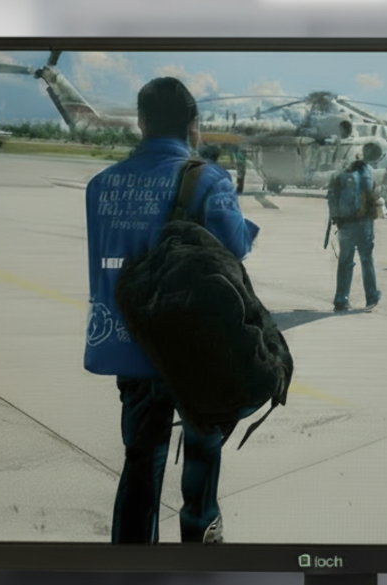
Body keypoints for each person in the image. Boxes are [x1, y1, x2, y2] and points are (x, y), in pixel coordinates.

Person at [83, 77, 259, 545]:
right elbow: (235, 246)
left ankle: (132, 551)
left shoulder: (101, 185)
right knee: (202, 443)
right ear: (193, 126)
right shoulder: (208, 179)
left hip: (129, 341)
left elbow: (102, 265)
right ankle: (200, 532)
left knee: (140, 454)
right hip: (192, 346)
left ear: (140, 123)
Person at [328, 159, 381, 313]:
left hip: (344, 224)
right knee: (367, 261)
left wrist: (336, 218)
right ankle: (371, 296)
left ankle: (341, 298)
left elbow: (331, 199)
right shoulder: (368, 175)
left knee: (345, 261)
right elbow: (375, 197)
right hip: (363, 224)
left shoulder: (340, 176)